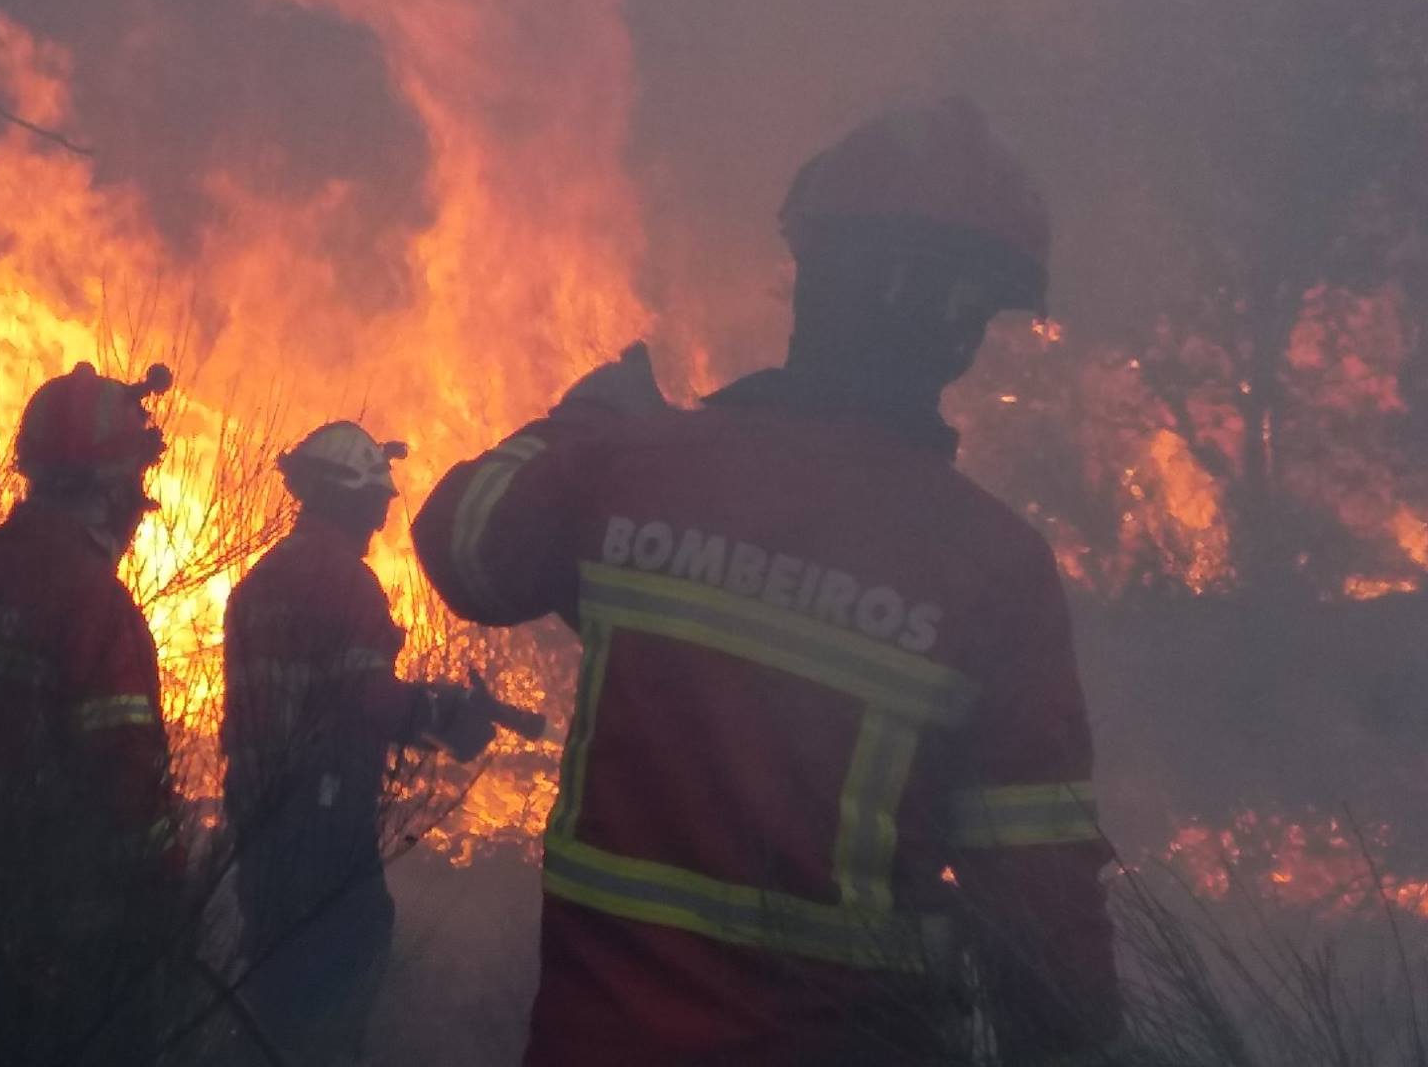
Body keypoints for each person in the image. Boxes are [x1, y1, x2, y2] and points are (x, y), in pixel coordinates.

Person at [413, 100, 1122, 1065]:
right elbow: (1045, 918)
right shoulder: (993, 569)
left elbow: (466, 548)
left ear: (814, 272)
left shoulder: (637, 469)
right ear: (964, 329)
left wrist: (582, 424)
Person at [222, 421, 496, 1067]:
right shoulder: (345, 582)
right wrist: (442, 715)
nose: (378, 525)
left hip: (257, 821)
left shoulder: (255, 584)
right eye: (376, 506)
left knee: (274, 998)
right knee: (348, 962)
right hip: (324, 826)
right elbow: (362, 698)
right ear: (349, 500)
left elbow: (319, 689)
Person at [0, 361, 183, 1065]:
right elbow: (126, 773)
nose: (138, 510)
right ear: (110, 490)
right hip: (79, 908)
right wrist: (168, 891)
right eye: (134, 487)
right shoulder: (96, 602)